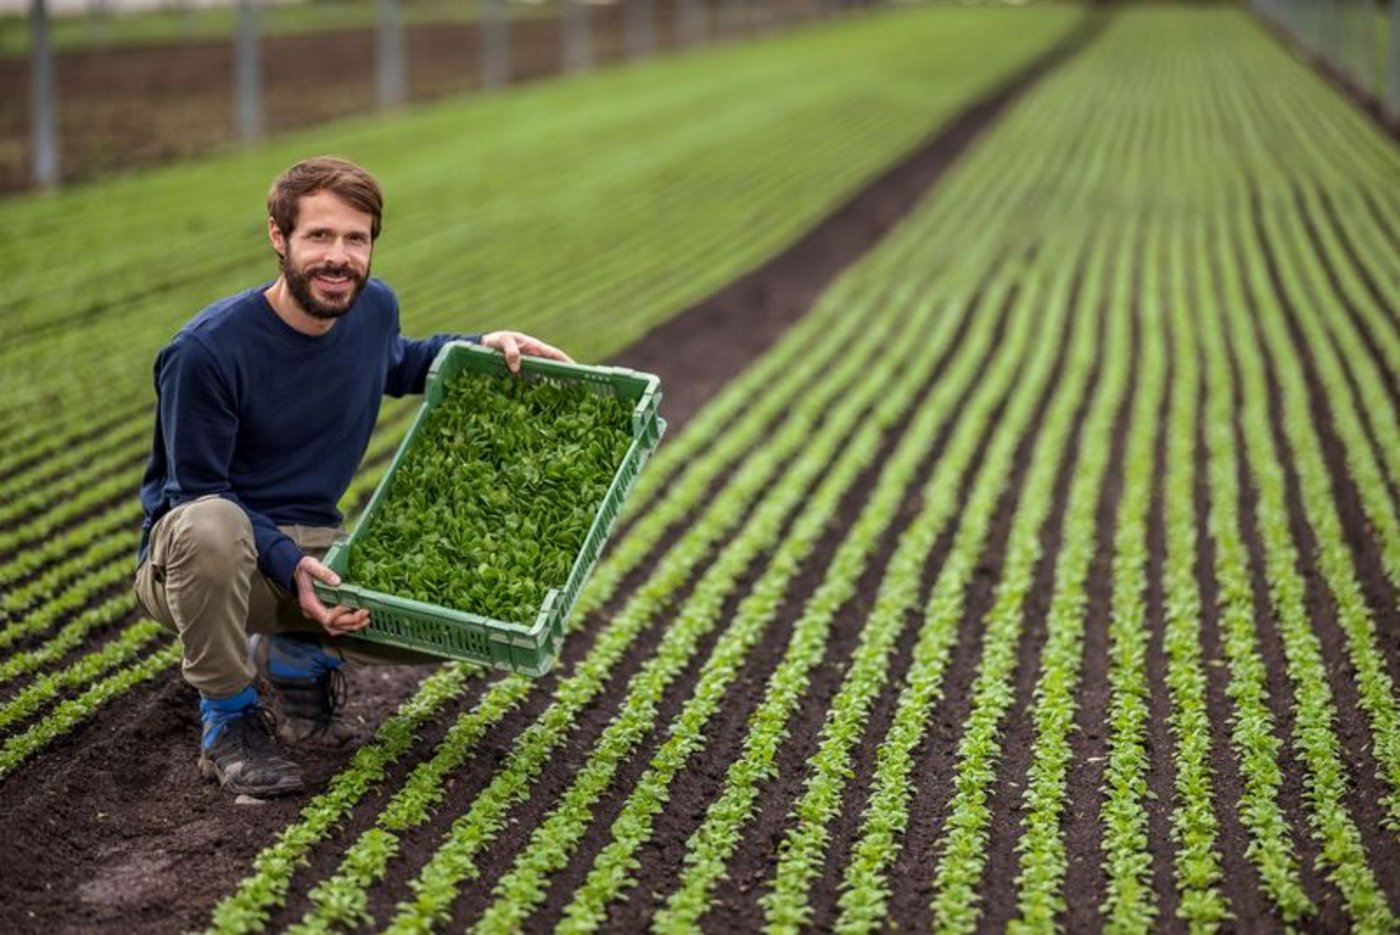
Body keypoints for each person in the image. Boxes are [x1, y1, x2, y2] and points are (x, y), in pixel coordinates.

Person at [133, 156, 571, 798]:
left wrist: (481, 344)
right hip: (205, 566)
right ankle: (228, 721)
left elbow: (394, 362)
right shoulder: (207, 352)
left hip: (316, 552)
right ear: (278, 238)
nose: (338, 257)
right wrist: (288, 564)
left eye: (355, 239)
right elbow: (196, 493)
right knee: (211, 524)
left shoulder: (372, 309)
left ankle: (299, 657)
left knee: (471, 602)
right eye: (319, 236)